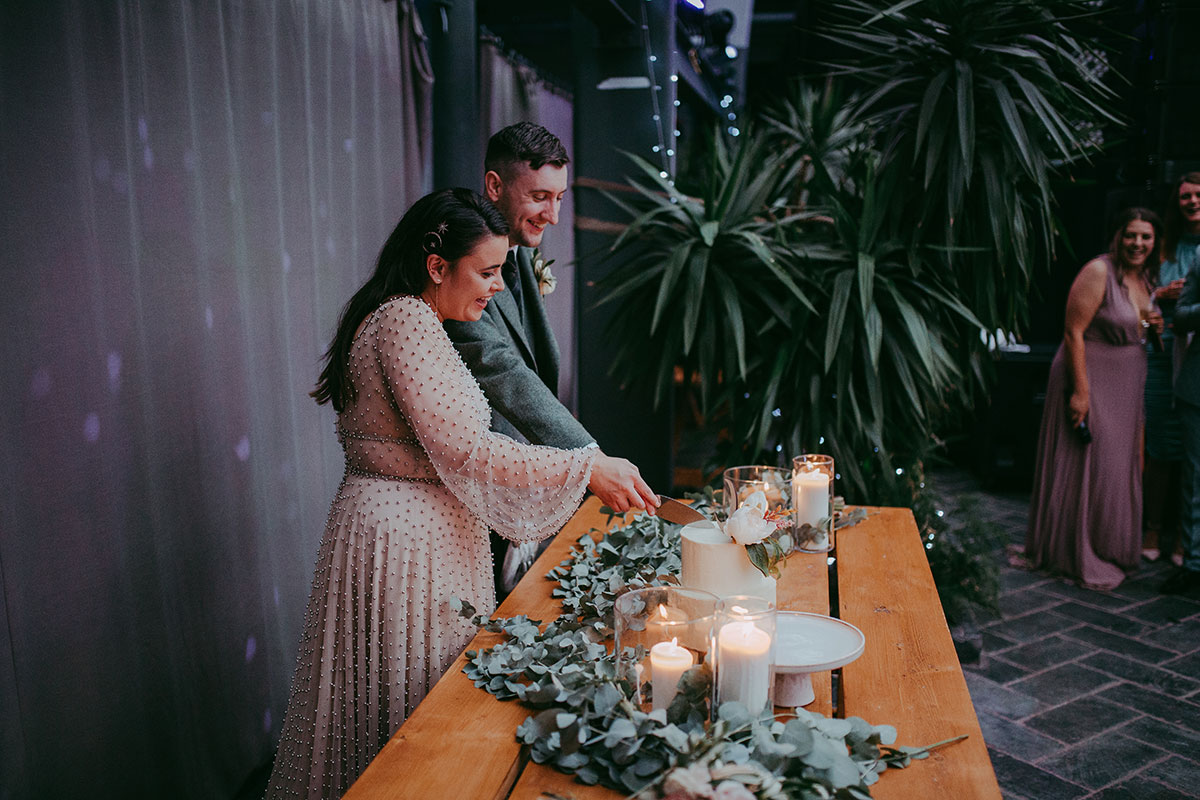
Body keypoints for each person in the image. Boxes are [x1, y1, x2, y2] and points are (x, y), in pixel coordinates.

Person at [265, 188, 657, 800]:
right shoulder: (405, 321)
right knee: (413, 724)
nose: (498, 286)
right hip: (407, 547)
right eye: (487, 271)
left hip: (412, 535)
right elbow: (470, 452)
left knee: (410, 711)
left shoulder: (411, 319)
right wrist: (584, 468)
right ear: (436, 265)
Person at [444, 122, 657, 596]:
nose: (554, 215)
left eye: (559, 198)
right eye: (540, 197)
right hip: (472, 491)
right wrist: (589, 461)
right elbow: (502, 367)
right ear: (494, 185)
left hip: (518, 486)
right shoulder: (462, 265)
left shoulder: (517, 253)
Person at [1024, 208, 1163, 590]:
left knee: (1117, 466)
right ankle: (1073, 551)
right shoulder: (1098, 271)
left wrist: (1152, 324)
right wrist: (1080, 392)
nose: (1137, 243)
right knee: (1088, 462)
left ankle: (1107, 546)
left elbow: (1135, 326)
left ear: (1155, 242)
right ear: (1117, 236)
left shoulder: (1146, 277)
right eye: (1131, 235)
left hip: (1126, 384)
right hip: (1092, 376)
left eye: (1146, 237)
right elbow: (1073, 331)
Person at [1144, 174, 1200, 565]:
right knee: (1161, 443)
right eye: (1185, 196)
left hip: (1194, 354)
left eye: (1198, 195)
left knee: (1190, 451)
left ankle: (1184, 538)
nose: (1192, 202)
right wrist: (1161, 294)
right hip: (1163, 353)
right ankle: (1152, 527)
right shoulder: (1163, 245)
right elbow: (1136, 291)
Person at [1161, 173, 1200, 595]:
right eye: (1185, 196)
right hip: (1194, 382)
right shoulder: (1195, 256)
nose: (1192, 202)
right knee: (1195, 478)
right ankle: (1192, 562)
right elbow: (1182, 317)